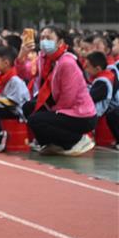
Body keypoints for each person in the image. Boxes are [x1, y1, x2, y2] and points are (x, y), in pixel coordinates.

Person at [19, 28, 97, 156]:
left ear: (60, 42)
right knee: (28, 107)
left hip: (80, 114)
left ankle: (77, 140)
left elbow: (68, 99)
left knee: (36, 120)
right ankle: (54, 144)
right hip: (58, 106)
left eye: (49, 38)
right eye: (42, 38)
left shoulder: (67, 63)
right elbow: (25, 74)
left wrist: (52, 113)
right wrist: (22, 55)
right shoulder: (43, 58)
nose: (44, 41)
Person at [83, 51, 117, 142]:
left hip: (96, 118)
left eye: (87, 66)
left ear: (98, 68)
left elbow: (88, 98)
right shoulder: (99, 78)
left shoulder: (102, 82)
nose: (85, 68)